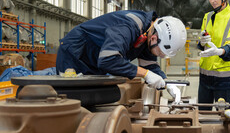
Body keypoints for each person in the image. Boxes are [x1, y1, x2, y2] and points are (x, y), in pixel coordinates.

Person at [56, 10, 187, 99]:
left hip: (94, 61)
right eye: (161, 53)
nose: (161, 57)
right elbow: (108, 60)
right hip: (75, 55)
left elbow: (150, 65)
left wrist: (166, 82)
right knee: (71, 99)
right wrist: (145, 74)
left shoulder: (148, 33)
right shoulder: (128, 26)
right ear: (154, 39)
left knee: (92, 98)